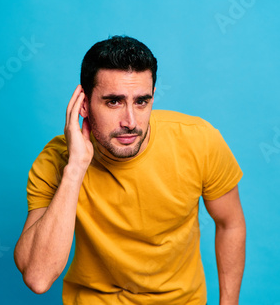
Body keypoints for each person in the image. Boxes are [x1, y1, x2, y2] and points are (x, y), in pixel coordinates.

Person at [14, 36, 246, 305]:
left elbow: (230, 224)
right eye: (114, 102)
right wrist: (76, 167)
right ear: (84, 105)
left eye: (141, 102)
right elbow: (38, 277)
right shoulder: (56, 160)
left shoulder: (199, 141)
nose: (130, 122)